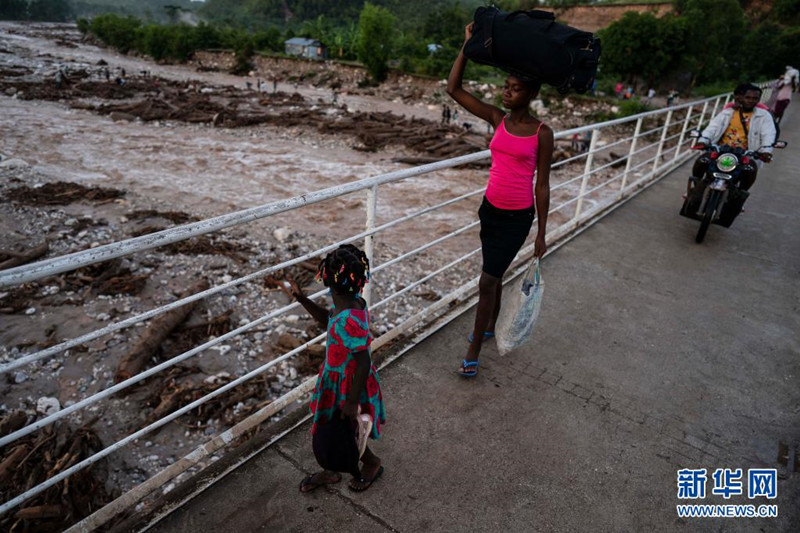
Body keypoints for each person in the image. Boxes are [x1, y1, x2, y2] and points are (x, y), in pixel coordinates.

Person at [447, 22, 553, 377]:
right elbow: (453, 88)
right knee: (493, 275)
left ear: (531, 93)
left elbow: (543, 185)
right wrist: (467, 45)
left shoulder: (543, 133)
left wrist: (540, 232)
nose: (507, 93)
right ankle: (489, 326)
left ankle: (474, 348)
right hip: (489, 211)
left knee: (486, 281)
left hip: (517, 218)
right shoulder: (497, 118)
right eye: (505, 87)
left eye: (515, 88)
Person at [280, 244, 386, 492]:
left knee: (343, 430)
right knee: (332, 428)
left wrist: (350, 402)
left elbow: (363, 361)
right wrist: (301, 298)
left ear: (326, 278)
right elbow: (328, 320)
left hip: (345, 384)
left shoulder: (348, 318)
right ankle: (332, 469)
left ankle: (369, 464)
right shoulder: (353, 304)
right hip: (338, 379)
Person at [693, 83, 775, 191]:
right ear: (741, 98)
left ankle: (739, 198)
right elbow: (712, 128)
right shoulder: (727, 112)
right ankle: (695, 188)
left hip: (745, 154)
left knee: (750, 170)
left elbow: (768, 134)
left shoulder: (764, 116)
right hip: (720, 151)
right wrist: (703, 140)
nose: (751, 101)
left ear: (759, 99)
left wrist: (766, 150)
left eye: (755, 98)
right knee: (702, 160)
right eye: (748, 97)